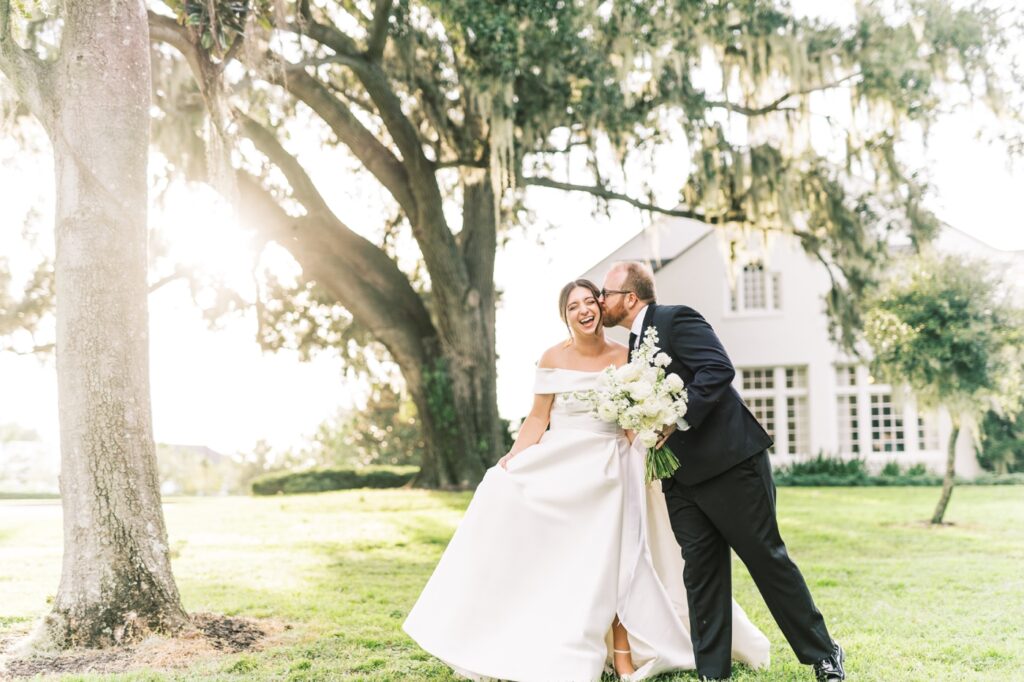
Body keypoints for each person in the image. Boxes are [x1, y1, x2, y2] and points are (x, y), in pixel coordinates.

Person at [403, 279, 770, 682]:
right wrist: (513, 457)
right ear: (565, 315)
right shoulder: (551, 357)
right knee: (505, 494)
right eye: (573, 305)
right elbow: (538, 418)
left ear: (600, 307)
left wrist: (653, 450)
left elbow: (633, 421)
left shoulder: (626, 356)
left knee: (616, 557)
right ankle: (527, 633)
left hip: (612, 468)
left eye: (589, 301)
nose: (583, 310)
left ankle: (623, 651)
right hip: (562, 462)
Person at [599, 261, 847, 682]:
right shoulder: (632, 347)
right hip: (679, 478)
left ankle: (823, 653)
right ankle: (713, 672)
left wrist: (677, 419)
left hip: (731, 464)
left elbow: (717, 369)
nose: (601, 301)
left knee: (766, 560)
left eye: (605, 293)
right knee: (701, 573)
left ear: (630, 297)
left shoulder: (676, 318)